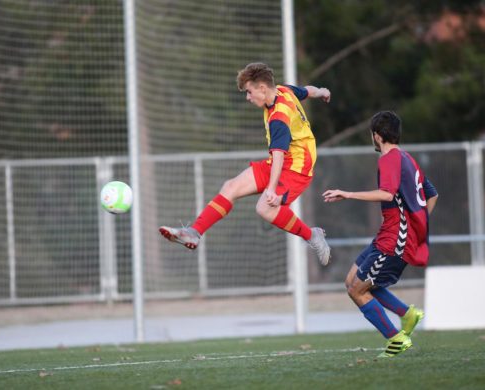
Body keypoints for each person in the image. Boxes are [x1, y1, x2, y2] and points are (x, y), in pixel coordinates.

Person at [159, 62, 331, 265]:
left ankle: (312, 235)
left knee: (265, 208)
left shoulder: (279, 117)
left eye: (249, 92)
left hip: (297, 168)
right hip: (282, 161)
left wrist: (272, 189)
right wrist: (321, 91)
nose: (248, 97)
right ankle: (194, 232)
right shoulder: (284, 90)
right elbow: (307, 91)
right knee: (230, 187)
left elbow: (278, 155)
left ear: (262, 88)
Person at [323, 111, 438, 358]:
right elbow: (432, 194)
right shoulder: (408, 159)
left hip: (395, 239)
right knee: (352, 281)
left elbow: (387, 194)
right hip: (387, 234)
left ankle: (396, 338)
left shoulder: (389, 159)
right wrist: (419, 226)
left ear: (376, 136)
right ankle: (407, 314)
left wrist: (348, 194)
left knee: (357, 290)